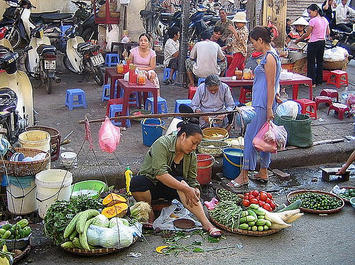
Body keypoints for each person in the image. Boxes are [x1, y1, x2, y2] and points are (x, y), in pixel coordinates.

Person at [130, 121, 222, 238]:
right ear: (183, 136)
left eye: (197, 145)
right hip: (151, 184)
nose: (194, 148)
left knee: (184, 184)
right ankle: (150, 214)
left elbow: (192, 180)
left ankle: (206, 224)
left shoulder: (191, 155)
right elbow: (160, 174)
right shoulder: (162, 143)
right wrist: (186, 188)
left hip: (172, 190)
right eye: (193, 143)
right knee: (137, 182)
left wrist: (195, 189)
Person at [228, 26, 281, 187]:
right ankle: (263, 171)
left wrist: (270, 107)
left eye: (254, 42)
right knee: (266, 136)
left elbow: (271, 84)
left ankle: (243, 175)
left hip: (262, 104)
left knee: (250, 137)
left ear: (260, 40)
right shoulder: (272, 55)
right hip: (266, 102)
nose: (253, 46)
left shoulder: (270, 57)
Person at [295, 4, 330, 87]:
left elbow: (307, 34)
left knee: (311, 63)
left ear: (315, 11)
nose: (309, 15)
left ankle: (312, 82)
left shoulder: (312, 21)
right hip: (322, 42)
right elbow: (328, 33)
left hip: (313, 43)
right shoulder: (325, 20)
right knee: (319, 62)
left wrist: (298, 40)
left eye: (310, 13)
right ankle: (319, 81)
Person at [225, 11, 249, 77]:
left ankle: (228, 80)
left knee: (232, 68)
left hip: (240, 52)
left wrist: (234, 31)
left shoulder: (244, 30)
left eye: (238, 23)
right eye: (236, 23)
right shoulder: (238, 29)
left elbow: (240, 40)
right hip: (236, 51)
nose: (236, 24)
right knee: (241, 67)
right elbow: (234, 40)